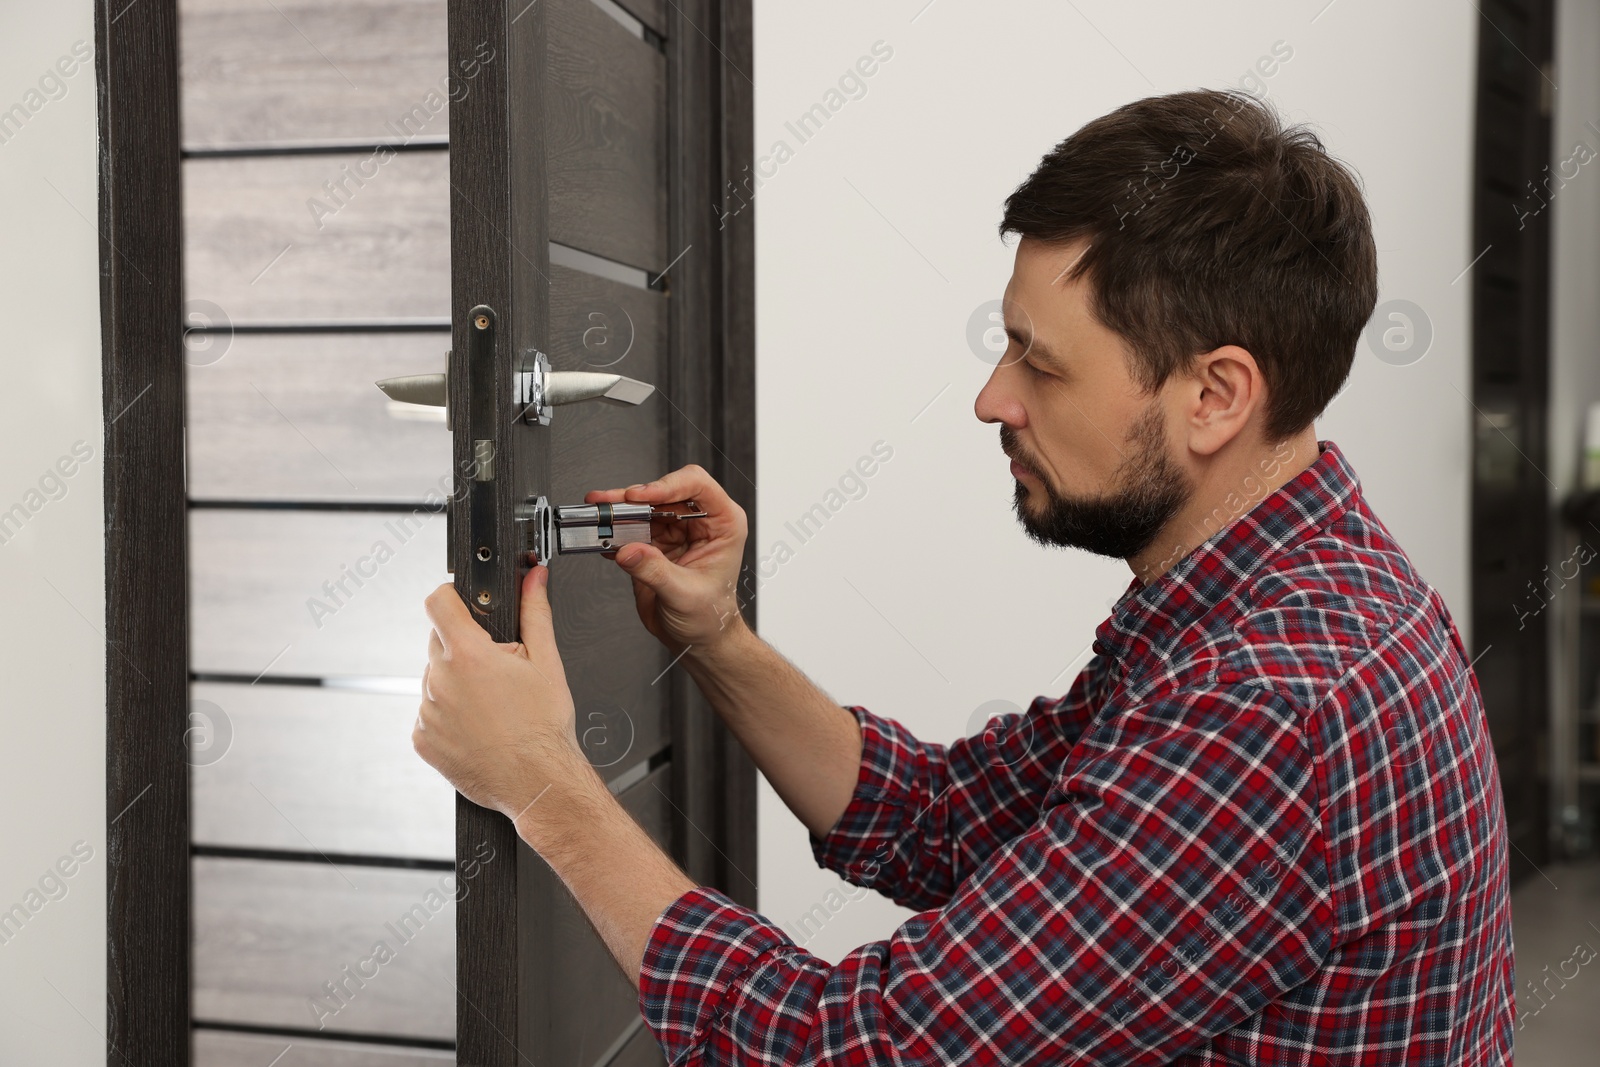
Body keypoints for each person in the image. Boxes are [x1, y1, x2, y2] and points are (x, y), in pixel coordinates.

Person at [412, 87, 1514, 1064]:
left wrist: (542, 784)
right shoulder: (1279, 589)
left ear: (1214, 396)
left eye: (1040, 359)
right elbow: (945, 818)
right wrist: (719, 639)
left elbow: (841, 1048)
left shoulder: (1265, 707)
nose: (994, 398)